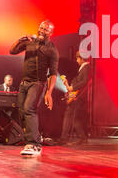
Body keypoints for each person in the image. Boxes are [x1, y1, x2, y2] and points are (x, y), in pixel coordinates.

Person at [10, 20, 58, 156]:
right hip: (24, 83)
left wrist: (49, 93)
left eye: (46, 29)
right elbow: (12, 51)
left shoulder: (52, 49)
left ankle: (34, 144)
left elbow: (53, 73)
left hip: (38, 83)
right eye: (41, 27)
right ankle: (34, 138)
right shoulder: (30, 42)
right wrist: (21, 39)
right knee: (21, 111)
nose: (42, 30)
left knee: (29, 109)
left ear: (51, 33)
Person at [58, 51, 91, 146]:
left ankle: (64, 138)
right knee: (74, 118)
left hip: (79, 96)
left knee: (69, 116)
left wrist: (72, 88)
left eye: (77, 58)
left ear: (82, 58)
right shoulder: (84, 68)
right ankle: (82, 137)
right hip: (77, 95)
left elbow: (84, 82)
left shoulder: (86, 67)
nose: (76, 61)